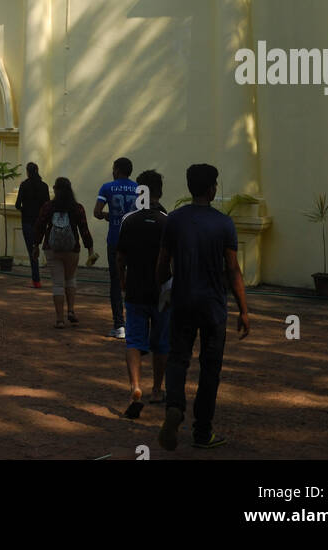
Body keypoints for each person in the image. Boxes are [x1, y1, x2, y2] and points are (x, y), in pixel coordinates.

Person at [156, 162, 250, 451]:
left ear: (189, 187)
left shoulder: (174, 220)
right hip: (213, 306)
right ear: (211, 189)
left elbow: (161, 265)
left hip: (182, 301)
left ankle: (174, 406)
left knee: (177, 359)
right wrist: (243, 310)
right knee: (210, 369)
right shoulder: (224, 224)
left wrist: (164, 290)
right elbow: (233, 270)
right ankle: (202, 432)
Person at [116, 169, 169, 419]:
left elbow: (120, 257)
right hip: (161, 293)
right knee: (161, 343)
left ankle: (135, 386)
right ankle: (157, 389)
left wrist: (123, 280)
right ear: (160, 191)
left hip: (135, 290)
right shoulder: (167, 220)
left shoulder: (130, 220)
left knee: (134, 341)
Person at [33, 177, 96, 328]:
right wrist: (90, 250)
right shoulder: (77, 208)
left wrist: (36, 245)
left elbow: (40, 226)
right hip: (72, 249)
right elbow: (84, 230)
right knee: (70, 279)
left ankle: (60, 320)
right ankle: (71, 311)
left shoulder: (48, 207)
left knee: (57, 284)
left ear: (55, 189)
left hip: (52, 248)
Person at [94, 156, 141, 337]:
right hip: (135, 241)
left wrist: (108, 216)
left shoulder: (107, 188)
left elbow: (97, 212)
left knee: (115, 281)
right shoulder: (139, 189)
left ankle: (119, 325)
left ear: (116, 170)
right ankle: (135, 322)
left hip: (115, 240)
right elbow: (142, 213)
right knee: (135, 280)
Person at [15, 162, 50, 288]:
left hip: (27, 221)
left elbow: (17, 205)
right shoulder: (44, 186)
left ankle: (36, 279)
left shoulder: (24, 185)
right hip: (40, 222)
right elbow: (47, 205)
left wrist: (25, 209)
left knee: (32, 251)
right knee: (43, 247)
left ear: (27, 172)